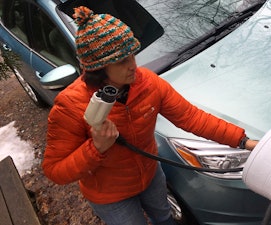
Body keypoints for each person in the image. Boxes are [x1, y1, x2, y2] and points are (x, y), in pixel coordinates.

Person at [42, 6, 258, 225]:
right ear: (98, 69)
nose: (133, 66)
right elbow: (55, 171)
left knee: (165, 219)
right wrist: (95, 148)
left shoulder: (147, 82)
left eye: (132, 56)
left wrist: (244, 141)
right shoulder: (70, 105)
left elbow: (193, 118)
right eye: (121, 61)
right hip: (111, 196)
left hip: (151, 176)